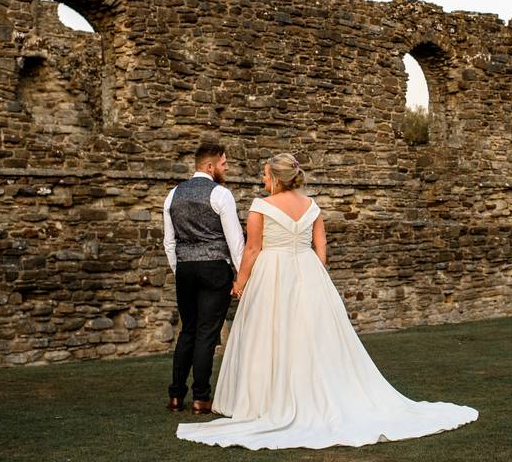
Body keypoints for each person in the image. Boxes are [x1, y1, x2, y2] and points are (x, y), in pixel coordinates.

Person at [176, 153, 477, 449]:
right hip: (308, 271)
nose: (263, 180)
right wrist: (312, 272)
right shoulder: (312, 206)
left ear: (277, 180)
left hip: (271, 274)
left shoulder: (261, 207)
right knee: (312, 337)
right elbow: (322, 247)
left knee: (270, 334)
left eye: (266, 175)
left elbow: (253, 250)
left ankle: (265, 399)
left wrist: (240, 283)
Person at [162, 141, 245, 414]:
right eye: (223, 163)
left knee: (188, 331)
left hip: (185, 270)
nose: (227, 167)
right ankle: (201, 398)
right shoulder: (221, 195)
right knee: (207, 334)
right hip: (214, 269)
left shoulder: (173, 195)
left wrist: (179, 270)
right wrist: (242, 275)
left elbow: (169, 242)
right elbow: (235, 241)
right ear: (209, 166)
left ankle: (175, 396)